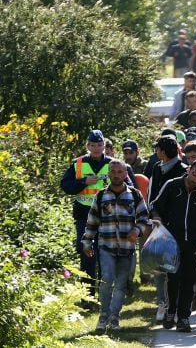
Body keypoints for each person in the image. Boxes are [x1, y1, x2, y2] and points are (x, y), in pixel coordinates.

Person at [151, 160, 196, 332]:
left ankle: (183, 318)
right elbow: (155, 206)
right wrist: (157, 219)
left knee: (189, 280)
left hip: (192, 241)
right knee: (173, 278)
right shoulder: (172, 185)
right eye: (194, 173)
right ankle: (171, 311)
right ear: (189, 169)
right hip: (171, 240)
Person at [82, 159, 149, 334]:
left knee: (120, 284)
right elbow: (92, 221)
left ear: (126, 174)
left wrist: (137, 230)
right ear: (109, 174)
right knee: (106, 280)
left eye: (120, 172)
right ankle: (103, 318)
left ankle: (114, 318)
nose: (117, 175)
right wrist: (87, 242)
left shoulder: (134, 195)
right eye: (114, 172)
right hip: (106, 246)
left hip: (127, 249)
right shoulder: (101, 195)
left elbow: (143, 218)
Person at [60, 129, 115, 305]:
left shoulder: (114, 164)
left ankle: (105, 297)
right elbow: (65, 186)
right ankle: (87, 298)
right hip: (85, 216)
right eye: (93, 145)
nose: (96, 148)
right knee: (87, 256)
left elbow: (127, 186)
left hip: (109, 217)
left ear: (104, 146)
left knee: (107, 257)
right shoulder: (78, 164)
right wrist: (83, 182)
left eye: (99, 145)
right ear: (88, 146)